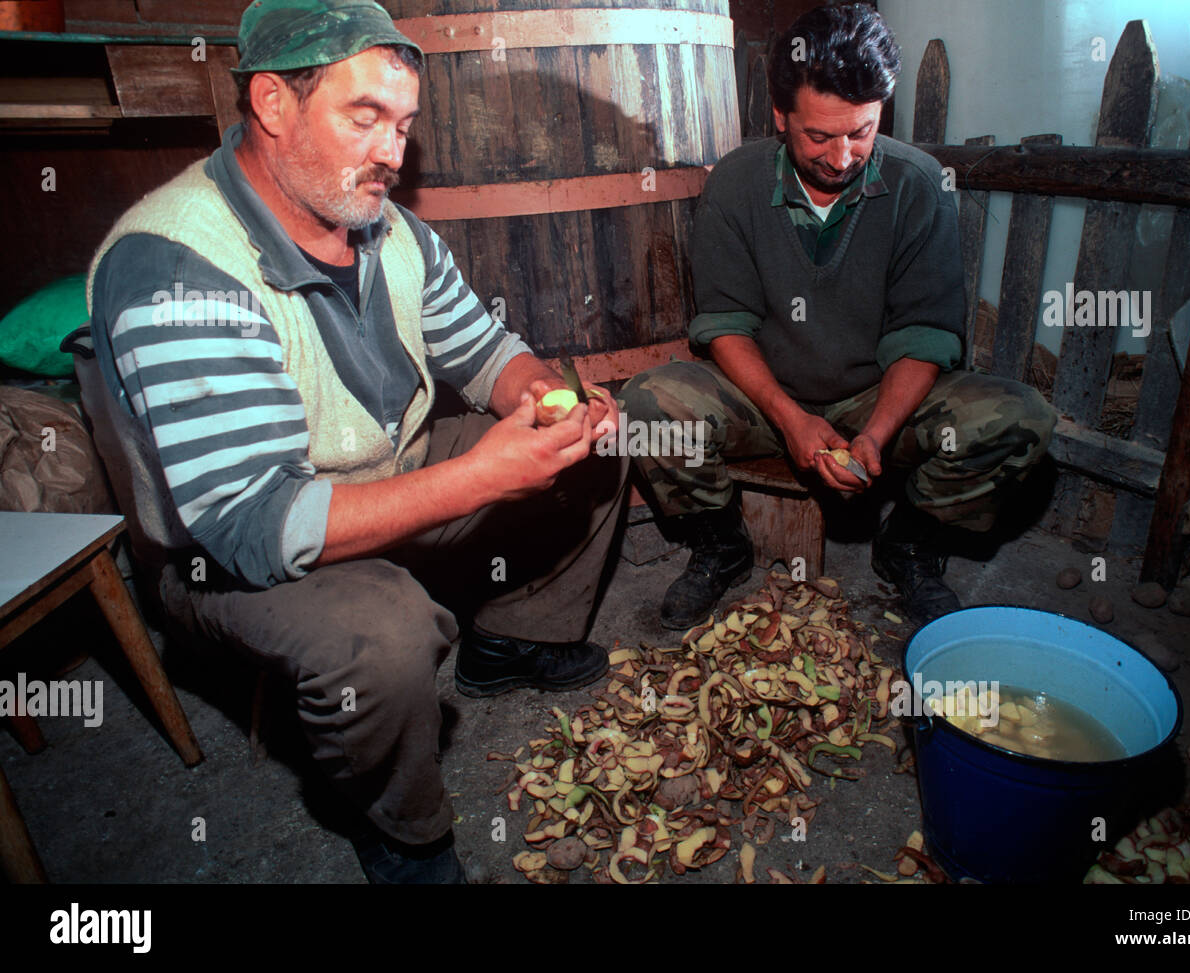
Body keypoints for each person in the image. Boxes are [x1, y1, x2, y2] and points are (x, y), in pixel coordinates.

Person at [85, 0, 625, 884]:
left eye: (404, 125)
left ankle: (510, 640)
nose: (391, 152)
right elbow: (259, 526)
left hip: (386, 471)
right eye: (364, 117)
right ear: (271, 103)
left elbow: (484, 352)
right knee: (381, 633)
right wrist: (485, 475)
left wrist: (543, 394)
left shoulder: (387, 226)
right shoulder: (178, 268)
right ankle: (399, 828)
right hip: (229, 558)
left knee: (599, 436)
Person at [618, 3, 1055, 630]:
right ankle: (720, 545)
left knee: (1018, 419)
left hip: (874, 398)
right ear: (779, 115)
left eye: (862, 131)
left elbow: (924, 338)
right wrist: (793, 421)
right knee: (648, 406)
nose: (843, 157)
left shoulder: (918, 184)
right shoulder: (736, 184)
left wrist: (874, 435)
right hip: (764, 397)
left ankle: (909, 548)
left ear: (883, 112)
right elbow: (725, 328)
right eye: (818, 136)